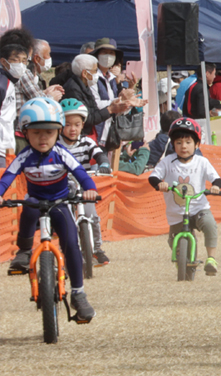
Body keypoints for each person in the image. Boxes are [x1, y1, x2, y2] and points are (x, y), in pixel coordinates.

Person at [2, 97, 99, 321]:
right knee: (28, 210)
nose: (43, 138)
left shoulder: (62, 154)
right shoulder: (24, 156)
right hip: (35, 199)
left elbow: (81, 174)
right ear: (25, 134)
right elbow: (7, 177)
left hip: (59, 201)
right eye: (36, 133)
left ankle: (78, 293)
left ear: (58, 132)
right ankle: (25, 250)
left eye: (49, 132)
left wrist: (90, 189)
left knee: (71, 244)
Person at [149, 118, 221, 276]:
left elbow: (216, 178)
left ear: (197, 144)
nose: (183, 146)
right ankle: (183, 261)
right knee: (174, 242)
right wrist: (159, 184)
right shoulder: (167, 162)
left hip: (199, 208)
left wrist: (215, 186)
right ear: (173, 144)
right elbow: (153, 177)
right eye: (179, 142)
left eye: (188, 142)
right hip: (177, 213)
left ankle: (211, 258)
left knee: (210, 225)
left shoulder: (202, 162)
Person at [59, 98, 113, 265]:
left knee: (92, 216)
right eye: (67, 124)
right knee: (64, 219)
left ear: (83, 124)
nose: (72, 129)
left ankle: (96, 249)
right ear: (59, 125)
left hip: (83, 186)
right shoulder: (56, 144)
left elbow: (98, 153)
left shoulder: (86, 141)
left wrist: (104, 163)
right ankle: (65, 251)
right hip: (63, 187)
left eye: (77, 124)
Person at [58, 54, 132, 141]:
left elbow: (94, 109)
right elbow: (87, 118)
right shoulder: (73, 89)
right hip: (78, 138)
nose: (97, 74)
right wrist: (110, 110)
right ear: (85, 73)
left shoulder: (84, 86)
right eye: (95, 70)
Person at [90, 38, 125, 147]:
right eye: (104, 52)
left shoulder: (113, 79)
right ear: (97, 55)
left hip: (110, 133)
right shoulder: (92, 77)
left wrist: (127, 103)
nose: (108, 56)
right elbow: (95, 104)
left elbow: (119, 109)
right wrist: (117, 102)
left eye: (111, 53)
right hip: (95, 131)